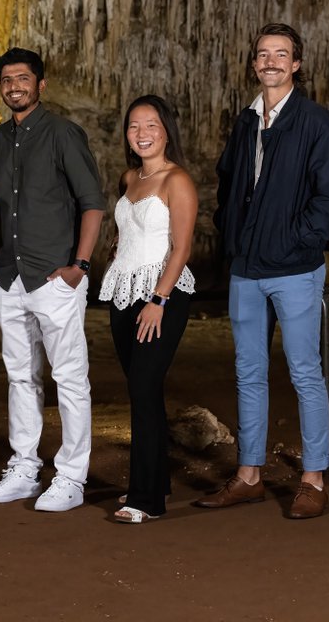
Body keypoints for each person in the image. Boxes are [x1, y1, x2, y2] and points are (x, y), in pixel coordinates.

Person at [198, 23, 329, 519]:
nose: (271, 61)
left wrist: (294, 239)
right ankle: (249, 474)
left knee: (305, 372)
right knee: (249, 372)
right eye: (263, 54)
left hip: (294, 270)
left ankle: (313, 478)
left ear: (297, 64)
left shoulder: (314, 122)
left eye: (281, 54)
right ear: (254, 64)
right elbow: (229, 184)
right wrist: (234, 233)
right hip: (246, 270)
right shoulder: (246, 121)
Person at [0, 47, 106, 513]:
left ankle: (71, 477)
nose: (14, 86)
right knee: (20, 376)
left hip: (56, 276)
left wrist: (80, 266)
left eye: (23, 78)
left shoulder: (63, 134)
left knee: (69, 378)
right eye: (7, 79)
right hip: (10, 277)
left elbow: (92, 203)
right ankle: (24, 468)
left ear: (40, 85)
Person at [98, 95, 197, 523]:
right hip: (124, 289)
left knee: (142, 387)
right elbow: (130, 228)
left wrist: (159, 299)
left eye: (151, 125)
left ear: (166, 131)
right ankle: (157, 482)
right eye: (134, 126)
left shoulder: (178, 180)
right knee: (144, 390)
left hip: (162, 293)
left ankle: (145, 499)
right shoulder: (129, 177)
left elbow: (182, 247)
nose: (142, 133)